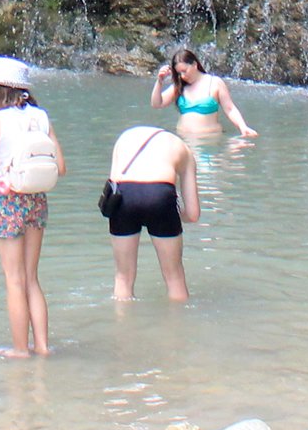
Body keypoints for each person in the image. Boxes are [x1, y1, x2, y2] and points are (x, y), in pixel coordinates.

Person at [0, 56, 61, 357]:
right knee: (32, 277)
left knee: (14, 279)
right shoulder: (41, 116)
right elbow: (60, 166)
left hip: (8, 201)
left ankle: (21, 349)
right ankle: (43, 346)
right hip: (37, 199)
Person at [98, 121, 200, 302]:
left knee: (123, 277)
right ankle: (177, 327)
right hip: (160, 194)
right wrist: (177, 214)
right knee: (174, 277)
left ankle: (123, 327)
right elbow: (193, 214)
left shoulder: (125, 138)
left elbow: (112, 184)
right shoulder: (182, 149)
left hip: (124, 196)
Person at [152, 48, 257, 141]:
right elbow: (157, 104)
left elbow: (230, 108)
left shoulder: (215, 83)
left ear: (194, 65)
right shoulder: (178, 87)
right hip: (183, 141)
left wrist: (243, 127)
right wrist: (159, 81)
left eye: (184, 71)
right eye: (179, 73)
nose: (182, 76)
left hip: (208, 142)